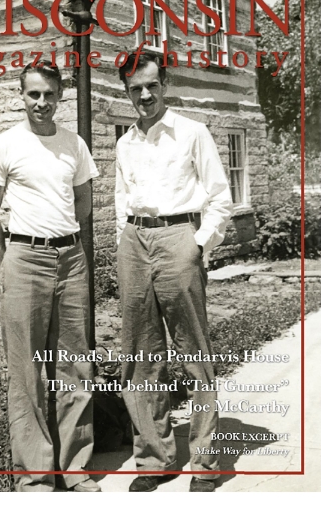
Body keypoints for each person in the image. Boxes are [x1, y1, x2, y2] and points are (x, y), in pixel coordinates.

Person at [0, 61, 101, 492]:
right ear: (22, 95)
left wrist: (62, 239)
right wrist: (5, 264)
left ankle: (77, 469)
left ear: (60, 95)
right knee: (26, 369)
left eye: (49, 94)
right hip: (23, 258)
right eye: (34, 95)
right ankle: (35, 477)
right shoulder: (5, 145)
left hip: (70, 257)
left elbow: (83, 204)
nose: (42, 103)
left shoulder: (74, 145)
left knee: (75, 366)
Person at [115, 53, 233, 492]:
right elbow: (120, 198)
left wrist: (198, 245)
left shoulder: (192, 133)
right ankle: (154, 457)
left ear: (164, 83)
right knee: (140, 355)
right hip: (134, 241)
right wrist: (121, 242)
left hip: (178, 237)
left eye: (151, 85)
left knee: (193, 352)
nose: (144, 96)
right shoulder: (125, 142)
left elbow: (219, 196)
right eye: (135, 89)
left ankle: (205, 462)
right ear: (127, 91)